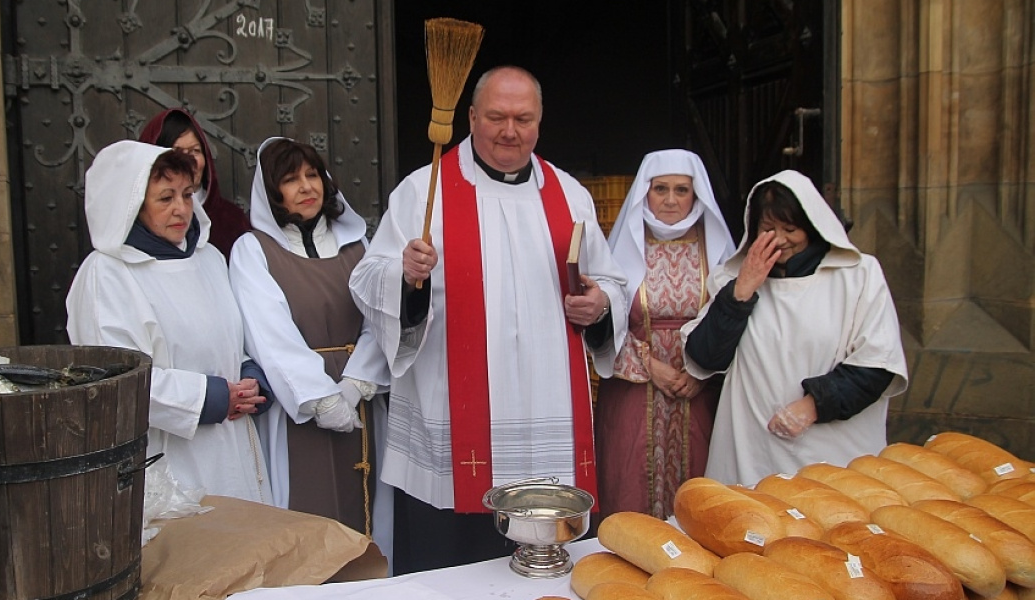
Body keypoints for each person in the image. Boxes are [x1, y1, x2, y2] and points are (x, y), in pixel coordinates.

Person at [349, 65, 627, 574]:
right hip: (454, 417)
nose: (509, 131)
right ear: (471, 117)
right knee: (448, 568)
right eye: (496, 117)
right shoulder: (423, 190)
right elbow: (369, 279)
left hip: (545, 409)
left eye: (523, 119)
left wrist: (600, 305)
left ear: (540, 123)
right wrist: (408, 277)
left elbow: (609, 281)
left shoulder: (570, 195)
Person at [66, 140, 273, 503]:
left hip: (233, 448)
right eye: (165, 198)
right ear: (130, 206)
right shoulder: (107, 275)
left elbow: (228, 341)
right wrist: (211, 398)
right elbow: (117, 378)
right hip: (168, 459)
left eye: (188, 194)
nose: (181, 209)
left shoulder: (208, 258)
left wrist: (251, 377)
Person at [682, 169, 908, 486]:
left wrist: (813, 405)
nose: (780, 240)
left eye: (790, 228)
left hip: (834, 453)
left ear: (812, 228)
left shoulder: (858, 276)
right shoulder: (732, 280)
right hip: (753, 453)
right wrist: (741, 292)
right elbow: (705, 357)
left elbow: (878, 363)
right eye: (768, 228)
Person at [228, 137, 394, 558]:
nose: (306, 186)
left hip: (362, 400)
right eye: (290, 179)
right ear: (271, 192)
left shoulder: (359, 246)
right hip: (297, 407)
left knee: (370, 513)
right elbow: (268, 333)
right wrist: (320, 398)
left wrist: (357, 381)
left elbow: (380, 319)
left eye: (312, 174)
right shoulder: (253, 251)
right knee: (304, 513)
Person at [596, 149, 736, 520]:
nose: (671, 200)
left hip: (698, 392)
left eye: (681, 190)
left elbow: (731, 320)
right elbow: (605, 318)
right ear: (645, 192)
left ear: (696, 195)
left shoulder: (717, 249)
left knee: (700, 494)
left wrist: (702, 372)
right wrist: (649, 365)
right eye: (660, 189)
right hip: (634, 389)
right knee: (628, 486)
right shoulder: (625, 245)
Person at [139, 108, 252, 259]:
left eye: (195, 151)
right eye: (176, 151)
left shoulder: (232, 220)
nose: (189, 161)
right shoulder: (138, 225)